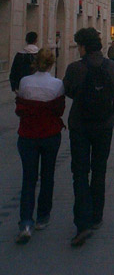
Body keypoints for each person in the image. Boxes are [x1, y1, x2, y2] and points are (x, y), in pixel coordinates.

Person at [63, 27, 114, 247]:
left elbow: (68, 91)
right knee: (99, 169)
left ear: (83, 47)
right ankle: (97, 216)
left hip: (80, 126)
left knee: (79, 173)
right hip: (105, 125)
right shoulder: (112, 67)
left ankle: (82, 222)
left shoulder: (75, 68)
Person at [14, 48, 65, 244]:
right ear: (52, 63)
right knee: (47, 176)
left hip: (27, 135)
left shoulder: (25, 82)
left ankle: (26, 221)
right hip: (50, 135)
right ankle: (43, 216)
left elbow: (21, 108)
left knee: (28, 178)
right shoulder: (57, 85)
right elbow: (59, 111)